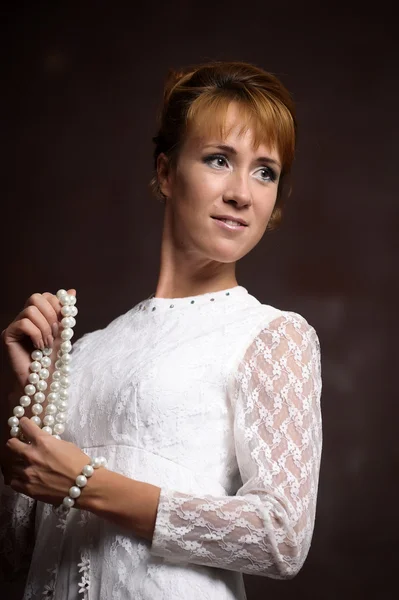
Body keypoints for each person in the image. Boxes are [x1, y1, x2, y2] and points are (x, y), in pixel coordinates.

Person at [0, 61, 322, 600]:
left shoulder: (270, 334)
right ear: (166, 173)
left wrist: (89, 485)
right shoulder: (86, 350)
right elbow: (16, 554)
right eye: (220, 159)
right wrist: (29, 399)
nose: (242, 193)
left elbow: (281, 537)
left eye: (265, 171)